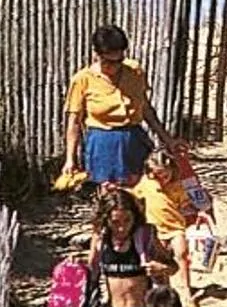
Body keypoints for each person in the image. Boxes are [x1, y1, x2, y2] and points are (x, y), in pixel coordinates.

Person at [60, 25, 171, 190]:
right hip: (103, 145)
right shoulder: (82, 80)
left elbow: (146, 109)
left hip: (134, 140)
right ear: (96, 55)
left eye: (119, 61)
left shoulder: (134, 72)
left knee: (145, 190)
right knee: (111, 194)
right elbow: (74, 122)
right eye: (108, 62)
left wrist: (167, 139)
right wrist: (70, 159)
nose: (115, 67)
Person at [90, 185, 176, 307]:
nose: (121, 227)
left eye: (127, 221)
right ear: (106, 220)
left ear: (134, 218)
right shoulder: (101, 239)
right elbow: (91, 275)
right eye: (115, 222)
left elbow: (173, 267)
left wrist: (161, 268)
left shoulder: (145, 237)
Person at [128, 143, 207, 297]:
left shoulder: (177, 186)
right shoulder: (146, 183)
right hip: (155, 229)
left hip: (175, 227)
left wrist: (196, 211)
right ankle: (164, 291)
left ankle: (185, 288)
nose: (161, 179)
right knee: (160, 261)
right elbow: (134, 195)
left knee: (182, 254)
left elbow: (185, 205)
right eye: (156, 175)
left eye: (165, 175)